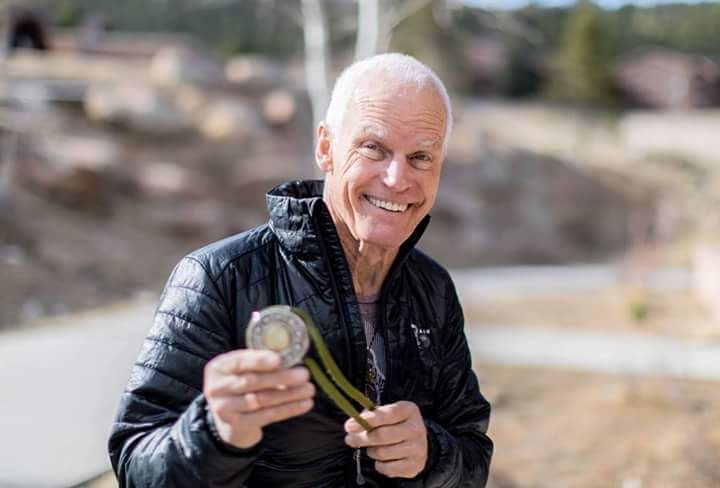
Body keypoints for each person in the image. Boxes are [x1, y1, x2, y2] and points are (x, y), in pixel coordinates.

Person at [109, 53, 493, 487]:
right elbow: (135, 462)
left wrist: (432, 454)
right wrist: (215, 433)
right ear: (326, 147)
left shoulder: (433, 289)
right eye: (374, 148)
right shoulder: (218, 277)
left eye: (420, 157)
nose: (396, 178)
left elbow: (473, 453)